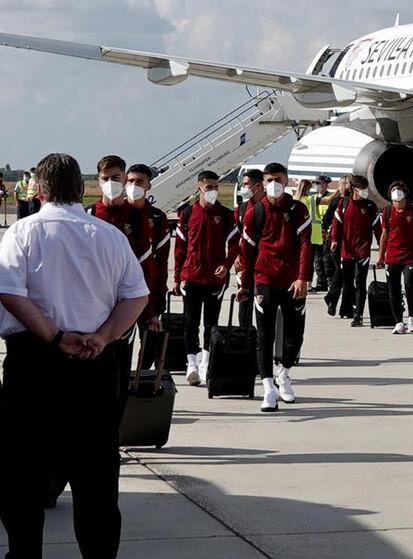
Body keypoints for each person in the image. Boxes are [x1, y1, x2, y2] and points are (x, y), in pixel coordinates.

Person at [0, 153, 149, 559]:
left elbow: (10, 292)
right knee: (97, 475)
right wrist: (103, 336)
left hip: (35, 361)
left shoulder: (22, 233)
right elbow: (136, 296)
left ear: (41, 190)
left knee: (24, 472)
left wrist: (54, 336)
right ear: (81, 189)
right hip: (96, 364)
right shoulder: (108, 236)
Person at [239, 162, 312, 412]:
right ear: (263, 183)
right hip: (265, 280)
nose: (274, 184)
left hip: (293, 281)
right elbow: (247, 251)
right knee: (264, 336)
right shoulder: (255, 212)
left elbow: (305, 245)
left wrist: (303, 277)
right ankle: (268, 388)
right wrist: (245, 284)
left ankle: (284, 373)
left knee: (295, 334)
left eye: (278, 179)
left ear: (287, 179)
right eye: (269, 180)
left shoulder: (298, 209)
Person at [88, 158, 169, 372]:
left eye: (115, 178)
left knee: (120, 368)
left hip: (124, 308)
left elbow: (146, 267)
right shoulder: (89, 215)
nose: (110, 183)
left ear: (124, 179)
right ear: (98, 181)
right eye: (105, 178)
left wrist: (150, 310)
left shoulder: (136, 218)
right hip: (91, 306)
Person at [173, 170, 239, 386]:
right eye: (209, 187)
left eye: (216, 187)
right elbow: (180, 249)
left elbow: (235, 245)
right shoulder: (188, 213)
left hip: (215, 280)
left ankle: (206, 362)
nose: (213, 191)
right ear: (199, 188)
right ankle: (191, 363)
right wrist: (176, 277)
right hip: (191, 276)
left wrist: (226, 265)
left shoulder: (227, 215)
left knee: (211, 323)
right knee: (190, 322)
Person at [376, 181, 413, 334]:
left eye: (399, 189)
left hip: (410, 257)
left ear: (405, 193)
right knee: (393, 290)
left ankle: (412, 319)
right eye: (393, 190)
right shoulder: (386, 212)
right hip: (392, 258)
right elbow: (384, 236)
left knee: (409, 286)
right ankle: (398, 322)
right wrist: (380, 256)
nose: (396, 192)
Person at [328, 175, 382, 328]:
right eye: (362, 189)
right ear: (353, 189)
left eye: (366, 189)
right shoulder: (343, 204)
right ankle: (353, 307)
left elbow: (378, 229)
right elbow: (336, 224)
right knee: (347, 283)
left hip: (363, 250)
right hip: (346, 250)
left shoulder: (370, 206)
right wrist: (334, 240)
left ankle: (358, 315)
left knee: (360, 282)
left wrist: (382, 249)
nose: (365, 192)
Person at [233, 168, 266, 328]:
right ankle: (244, 333)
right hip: (245, 263)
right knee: (244, 301)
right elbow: (236, 236)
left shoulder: (267, 206)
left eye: (246, 184)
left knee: (264, 304)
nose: (244, 188)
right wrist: (236, 256)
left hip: (265, 263)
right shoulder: (241, 208)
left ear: (258, 186)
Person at [322, 176, 353, 317]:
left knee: (341, 272)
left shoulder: (336, 201)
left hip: (337, 242)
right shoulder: (341, 202)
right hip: (341, 242)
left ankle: (334, 301)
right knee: (344, 272)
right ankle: (339, 303)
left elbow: (326, 220)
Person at [308, 176, 332, 293]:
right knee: (318, 260)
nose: (317, 185)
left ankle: (330, 281)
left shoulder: (331, 198)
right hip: (315, 235)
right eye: (315, 183)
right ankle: (321, 282)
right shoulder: (312, 198)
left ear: (326, 184)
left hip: (327, 233)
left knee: (327, 259)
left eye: (319, 183)